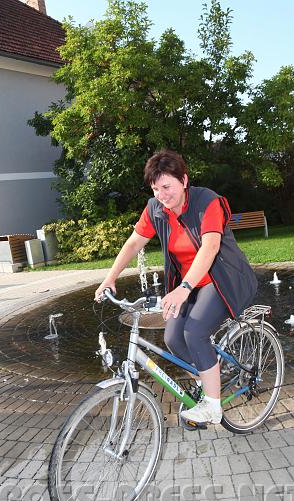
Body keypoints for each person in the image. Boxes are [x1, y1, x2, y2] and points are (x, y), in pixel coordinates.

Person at [95, 150, 257, 425]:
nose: (162, 194)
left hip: (222, 279)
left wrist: (183, 288)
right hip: (189, 284)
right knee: (173, 339)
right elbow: (134, 242)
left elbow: (211, 246)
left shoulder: (207, 202)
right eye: (156, 188)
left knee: (194, 332)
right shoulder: (155, 208)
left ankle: (213, 407)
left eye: (167, 187)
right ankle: (209, 382)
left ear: (184, 180)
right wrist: (110, 277)